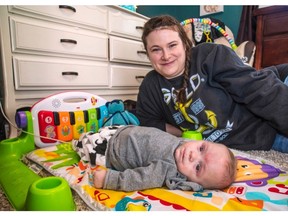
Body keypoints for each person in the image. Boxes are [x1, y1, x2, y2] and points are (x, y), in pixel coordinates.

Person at [136, 15, 288, 153]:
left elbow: (258, 90)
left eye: (172, 45)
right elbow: (148, 122)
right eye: (156, 49)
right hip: (229, 146)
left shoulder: (210, 55)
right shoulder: (150, 85)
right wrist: (182, 135)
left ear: (185, 44)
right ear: (148, 54)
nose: (166, 56)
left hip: (264, 130)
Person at [72, 125, 237, 192]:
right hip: (119, 131)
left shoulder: (168, 169)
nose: (193, 155)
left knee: (80, 144)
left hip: (109, 150)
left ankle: (74, 143)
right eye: (201, 148)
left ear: (192, 182)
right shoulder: (185, 144)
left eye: (198, 167)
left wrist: (109, 180)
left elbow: (138, 179)